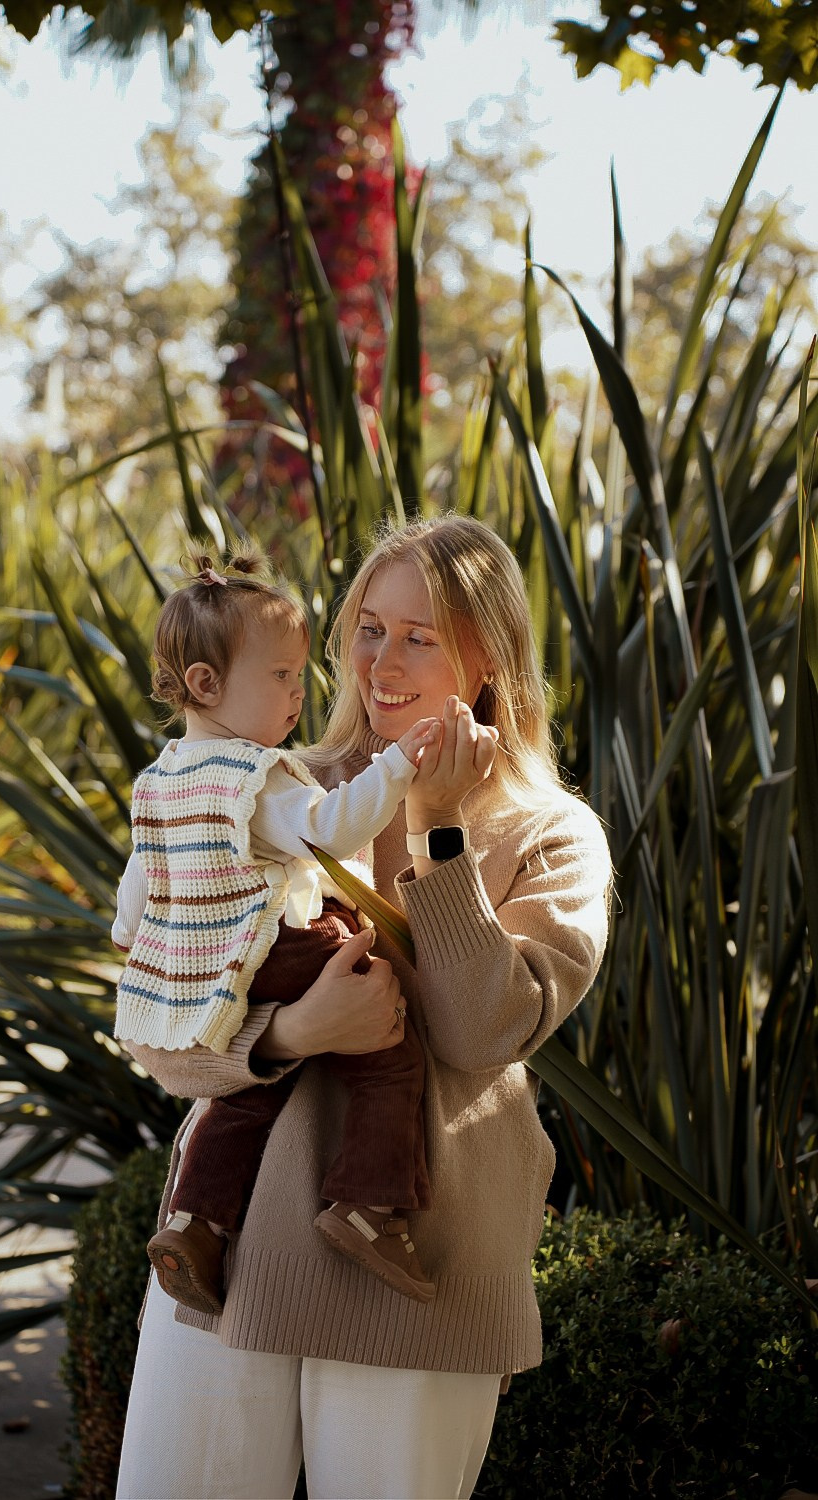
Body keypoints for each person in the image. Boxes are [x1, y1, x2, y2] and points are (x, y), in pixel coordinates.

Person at [115, 515, 613, 1500]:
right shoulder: (279, 792)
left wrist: (435, 834)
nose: (381, 660)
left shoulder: (556, 838)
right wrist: (293, 1034)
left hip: (419, 1276)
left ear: (485, 659)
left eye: (419, 635)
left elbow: (482, 1033)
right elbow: (159, 1033)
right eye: (368, 628)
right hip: (226, 1259)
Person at [112, 551, 451, 1316]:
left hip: (209, 966)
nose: (300, 695)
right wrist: (397, 765)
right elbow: (332, 829)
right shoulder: (258, 779)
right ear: (206, 685)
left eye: (302, 675)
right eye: (281, 677)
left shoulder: (161, 779)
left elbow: (142, 892)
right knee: (390, 1056)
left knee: (245, 1099)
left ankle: (196, 1223)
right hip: (277, 948)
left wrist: (140, 946)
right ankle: (368, 1205)